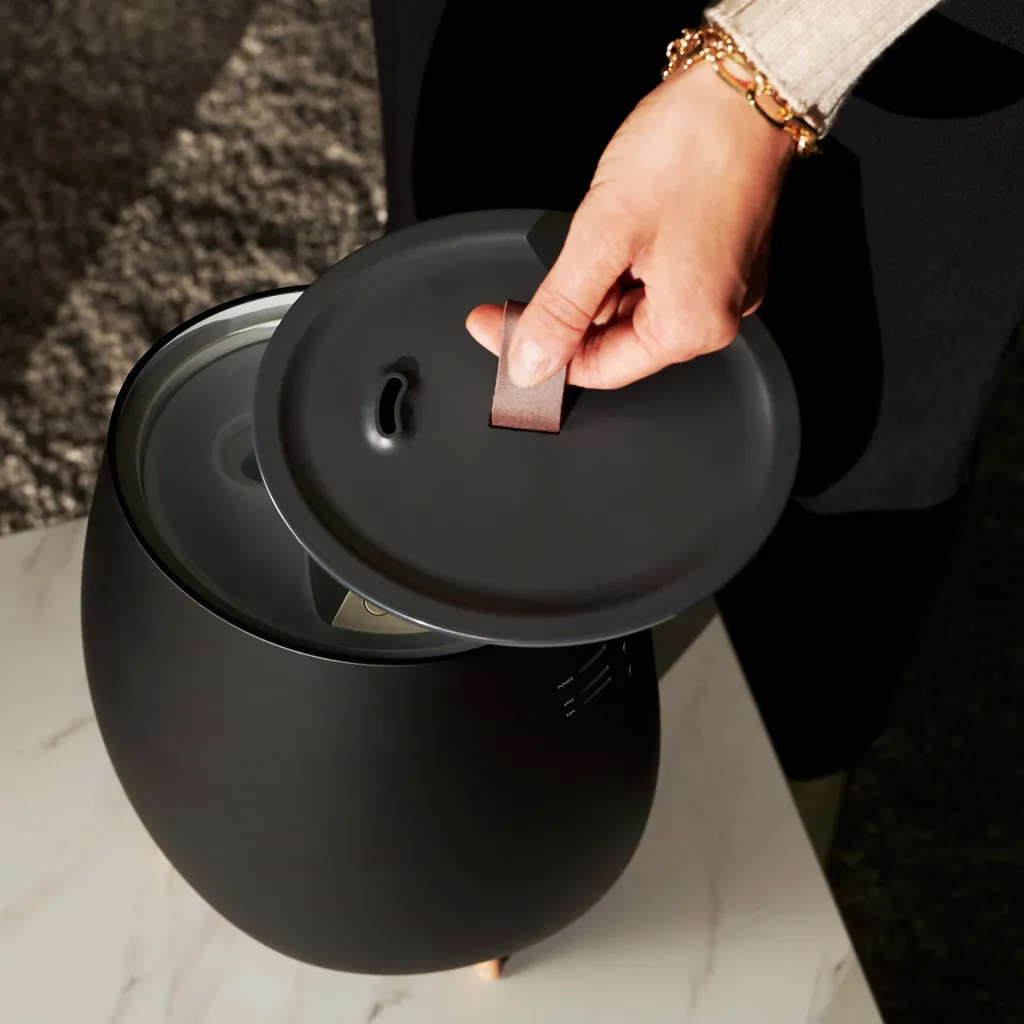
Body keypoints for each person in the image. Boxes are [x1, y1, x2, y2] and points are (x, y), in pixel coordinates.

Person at [367, 0, 1024, 972]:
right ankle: (476, 821)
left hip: (912, 46)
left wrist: (775, 68)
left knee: (830, 488)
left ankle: (745, 912)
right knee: (475, 312)